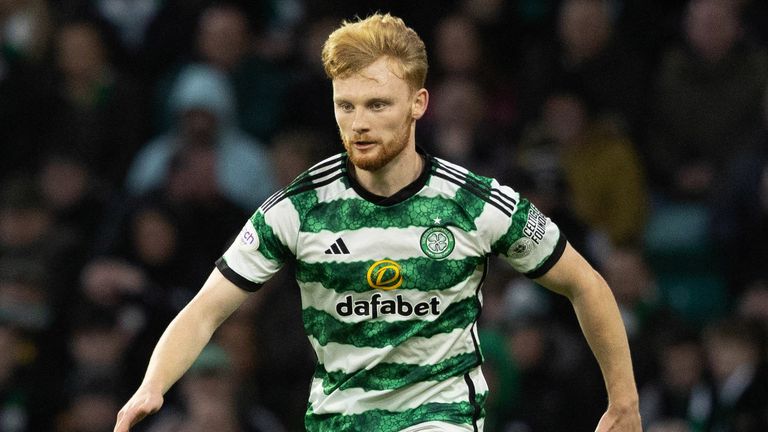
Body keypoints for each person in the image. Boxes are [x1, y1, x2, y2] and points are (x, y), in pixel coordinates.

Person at [114, 13, 641, 432]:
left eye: (377, 104)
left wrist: (623, 402)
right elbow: (206, 310)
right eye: (346, 107)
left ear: (418, 104)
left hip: (444, 419)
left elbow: (585, 284)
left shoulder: (474, 204)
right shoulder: (297, 209)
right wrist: (152, 385)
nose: (359, 123)